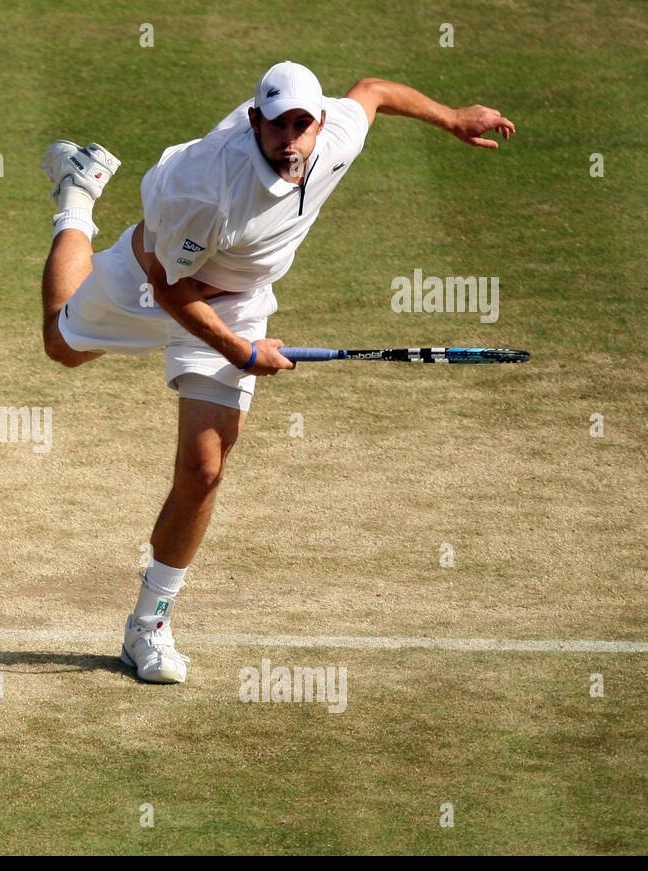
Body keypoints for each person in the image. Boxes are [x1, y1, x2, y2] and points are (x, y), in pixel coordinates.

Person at [39, 61, 515, 683]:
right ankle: (77, 196)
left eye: (302, 123)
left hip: (238, 297)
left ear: (317, 122)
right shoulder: (205, 187)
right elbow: (171, 286)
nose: (290, 140)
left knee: (204, 468)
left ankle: (147, 624)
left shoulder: (333, 137)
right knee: (63, 347)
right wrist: (243, 353)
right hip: (154, 281)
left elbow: (372, 92)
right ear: (255, 121)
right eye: (276, 125)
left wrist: (451, 117)